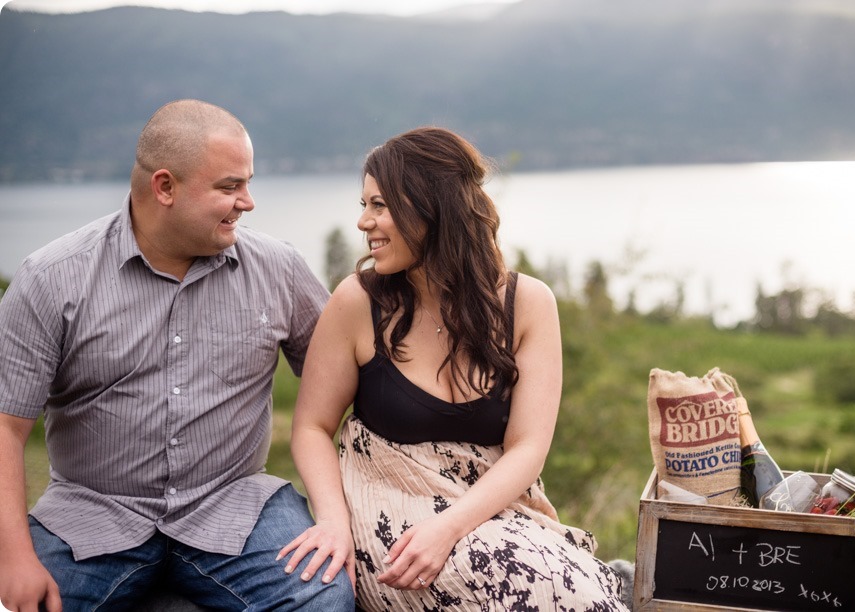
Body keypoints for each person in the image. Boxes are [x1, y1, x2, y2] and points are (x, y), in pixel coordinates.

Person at [0, 99, 354, 611]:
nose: (248, 202)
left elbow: (350, 386)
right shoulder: (50, 279)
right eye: (229, 187)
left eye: (248, 183)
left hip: (237, 507)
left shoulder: (279, 269)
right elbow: (7, 426)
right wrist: (13, 556)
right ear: (164, 187)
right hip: (91, 517)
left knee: (324, 598)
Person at [278, 127, 629, 610]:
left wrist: (449, 527)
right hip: (387, 516)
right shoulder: (357, 302)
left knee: (581, 592)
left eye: (379, 206)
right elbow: (312, 427)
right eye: (364, 205)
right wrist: (333, 520)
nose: (364, 222)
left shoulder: (527, 304)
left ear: (430, 208)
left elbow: (527, 448)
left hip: (488, 511)